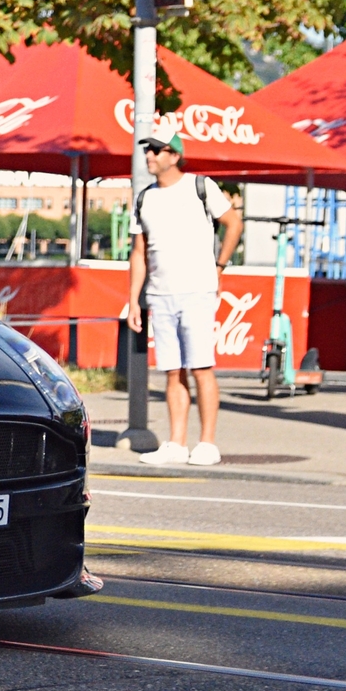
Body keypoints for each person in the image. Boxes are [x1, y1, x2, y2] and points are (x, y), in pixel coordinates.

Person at [125, 130, 241, 466]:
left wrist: (220, 265)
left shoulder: (199, 186)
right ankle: (176, 443)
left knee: (201, 366)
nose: (150, 156)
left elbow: (233, 223)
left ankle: (207, 442)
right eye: (148, 150)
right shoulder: (145, 197)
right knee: (172, 370)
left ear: (174, 156)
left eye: (157, 151)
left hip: (197, 290)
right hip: (160, 295)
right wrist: (134, 299)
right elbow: (138, 252)